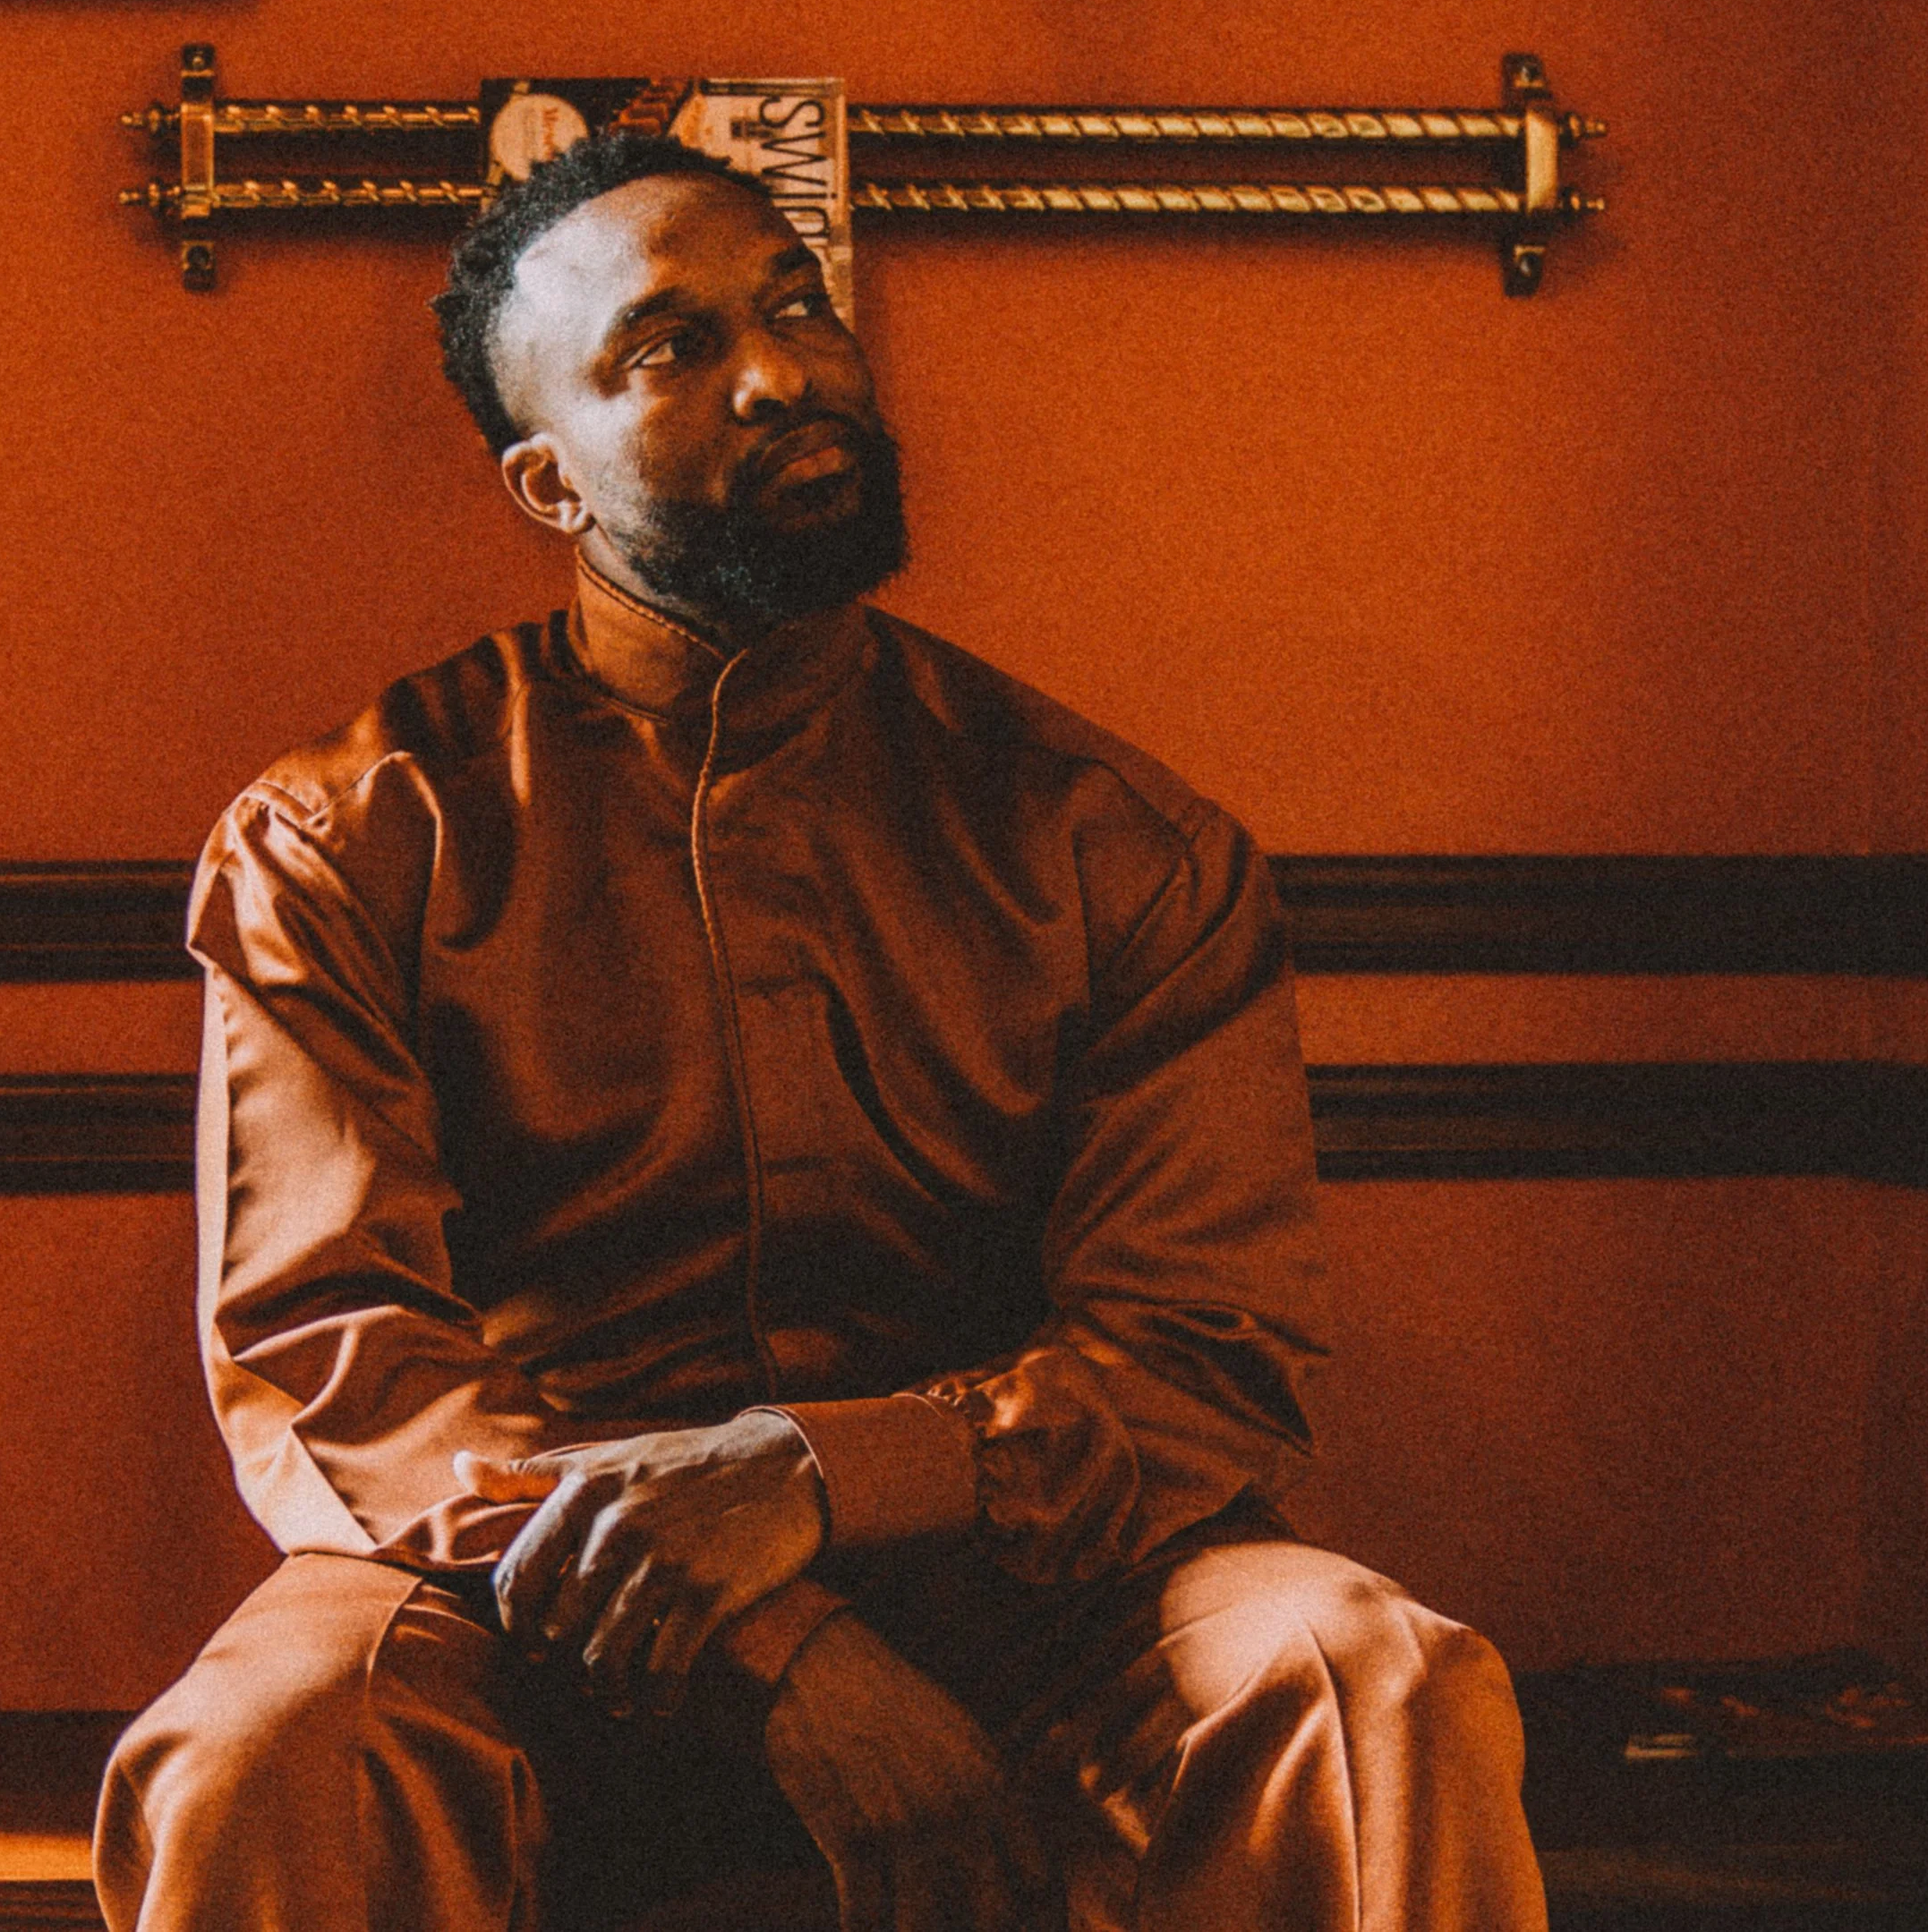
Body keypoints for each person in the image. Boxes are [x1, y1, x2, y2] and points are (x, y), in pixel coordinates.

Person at [93, 136, 1548, 1932]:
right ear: (545, 481)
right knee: (269, 1745)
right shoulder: (348, 839)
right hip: (519, 1614)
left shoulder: (1112, 843)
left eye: (795, 308)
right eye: (666, 350)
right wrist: (774, 1649)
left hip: (1028, 1612)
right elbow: (349, 1371)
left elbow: (1201, 1355)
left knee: (1355, 1674)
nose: (778, 371)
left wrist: (819, 1475)